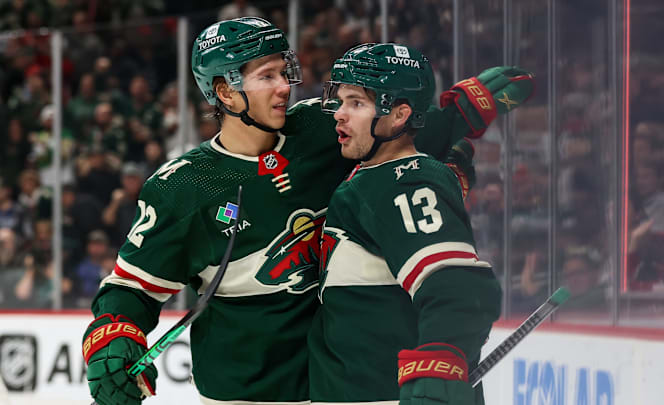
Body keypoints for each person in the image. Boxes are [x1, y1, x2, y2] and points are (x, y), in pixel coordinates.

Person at [82, 17, 532, 405]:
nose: (285, 87)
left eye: (284, 71)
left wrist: (461, 112)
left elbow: (393, 125)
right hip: (247, 391)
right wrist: (114, 335)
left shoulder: (320, 128)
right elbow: (130, 289)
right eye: (266, 76)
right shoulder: (182, 188)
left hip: (337, 383)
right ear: (225, 91)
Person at [308, 43, 502, 405]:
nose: (339, 114)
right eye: (342, 100)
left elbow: (457, 286)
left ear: (399, 116)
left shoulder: (403, 182)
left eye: (357, 103)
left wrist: (437, 369)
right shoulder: (377, 175)